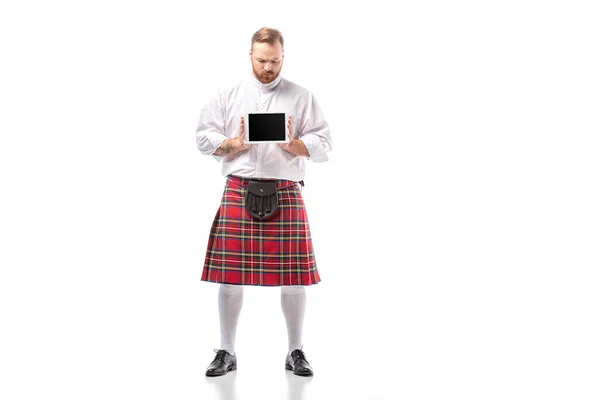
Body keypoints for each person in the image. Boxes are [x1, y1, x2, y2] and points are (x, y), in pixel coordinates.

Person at [195, 27, 332, 377]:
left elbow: (324, 142)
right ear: (250, 55)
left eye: (274, 61)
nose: (267, 68)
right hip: (239, 187)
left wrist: (294, 145)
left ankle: (295, 350)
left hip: (285, 189)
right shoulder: (228, 93)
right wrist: (234, 143)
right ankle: (226, 350)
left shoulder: (302, 96)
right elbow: (203, 135)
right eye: (261, 60)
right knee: (229, 276)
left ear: (283, 56)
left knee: (295, 278)